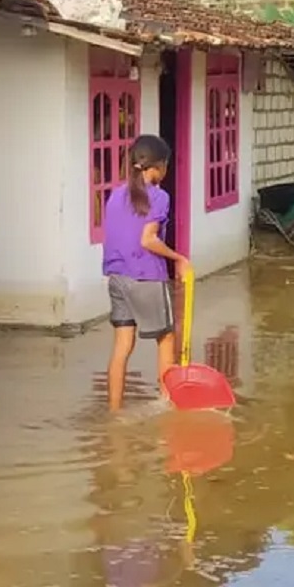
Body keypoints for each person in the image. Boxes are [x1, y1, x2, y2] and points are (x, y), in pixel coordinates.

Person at [102, 135, 191, 412]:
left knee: (122, 346)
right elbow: (147, 240)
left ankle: (114, 413)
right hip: (146, 276)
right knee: (166, 339)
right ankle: (167, 404)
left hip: (117, 276)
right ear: (159, 166)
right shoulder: (159, 196)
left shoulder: (115, 195)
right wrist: (179, 258)